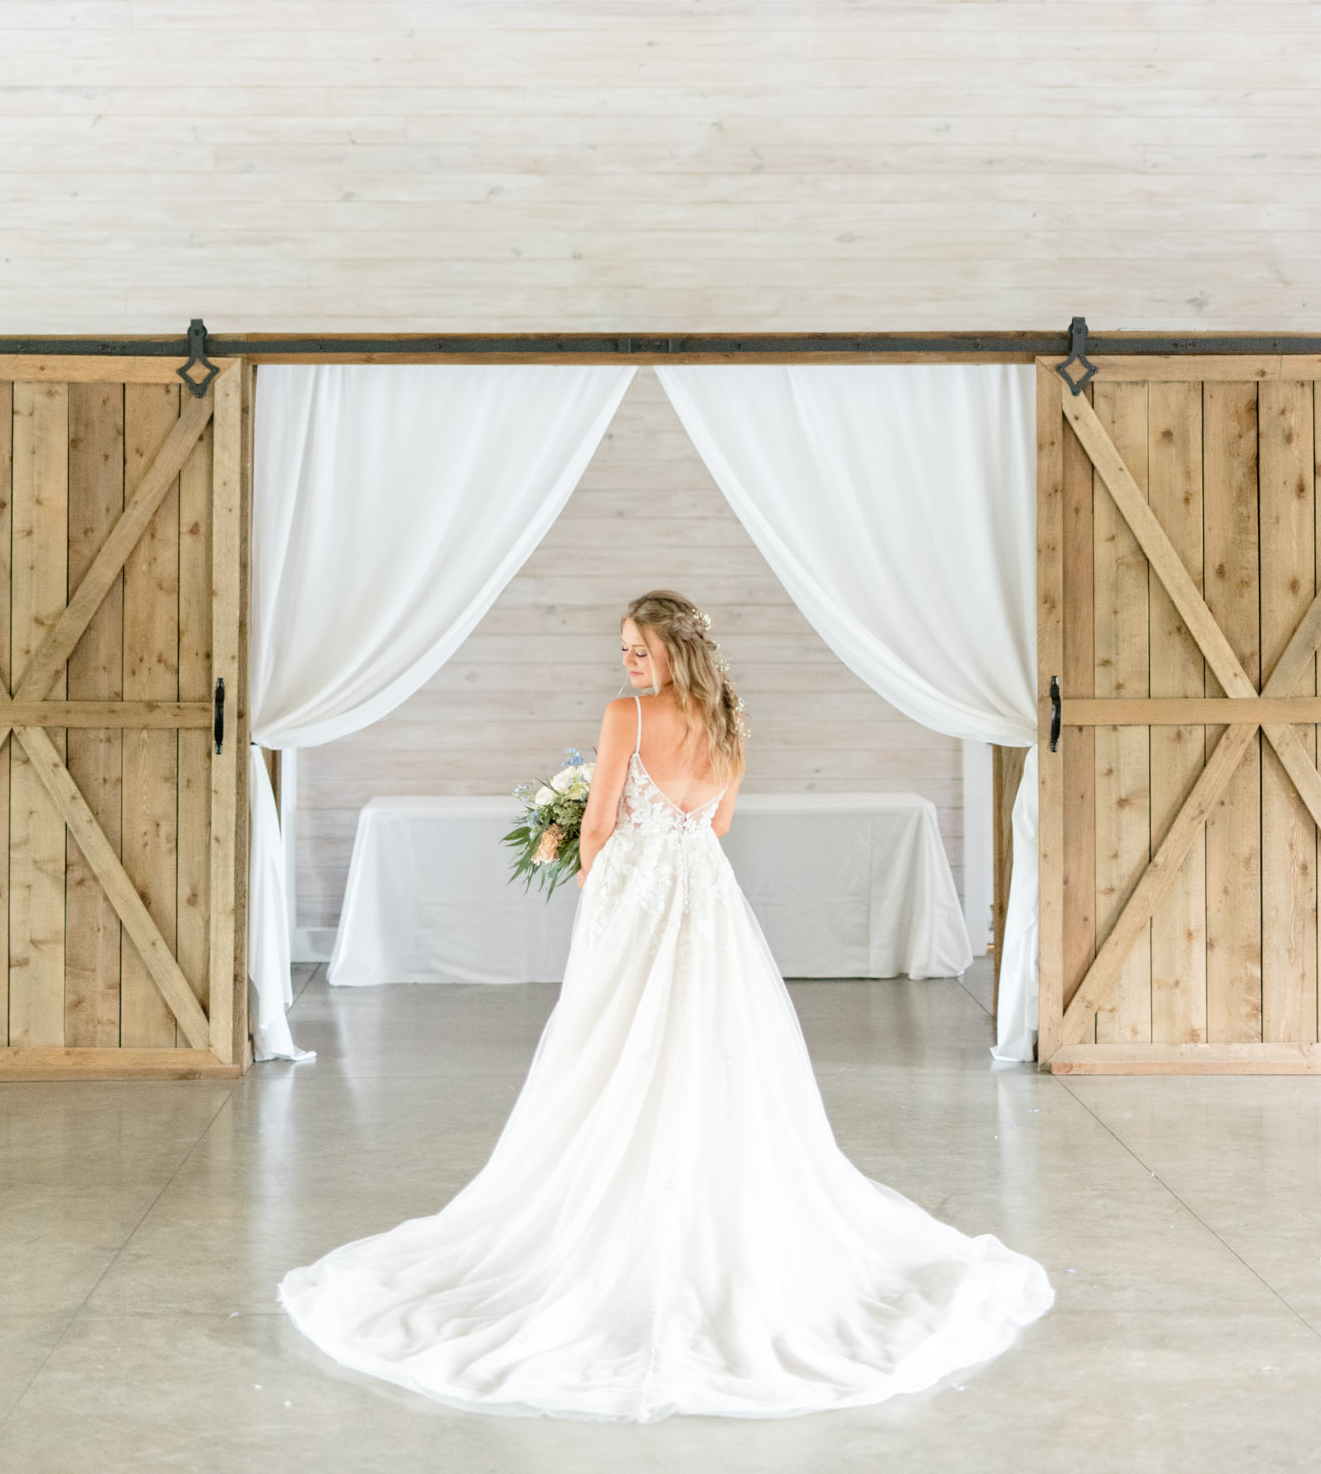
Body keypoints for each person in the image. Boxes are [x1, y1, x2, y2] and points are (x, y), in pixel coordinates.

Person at [278, 589, 1053, 1421]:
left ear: (672, 653)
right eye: (624, 653)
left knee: (611, 1041)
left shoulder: (626, 716)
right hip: (705, 894)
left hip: (633, 894)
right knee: (708, 1035)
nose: (627, 664)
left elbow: (601, 824)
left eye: (637, 651)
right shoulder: (729, 724)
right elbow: (716, 823)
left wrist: (590, 874)